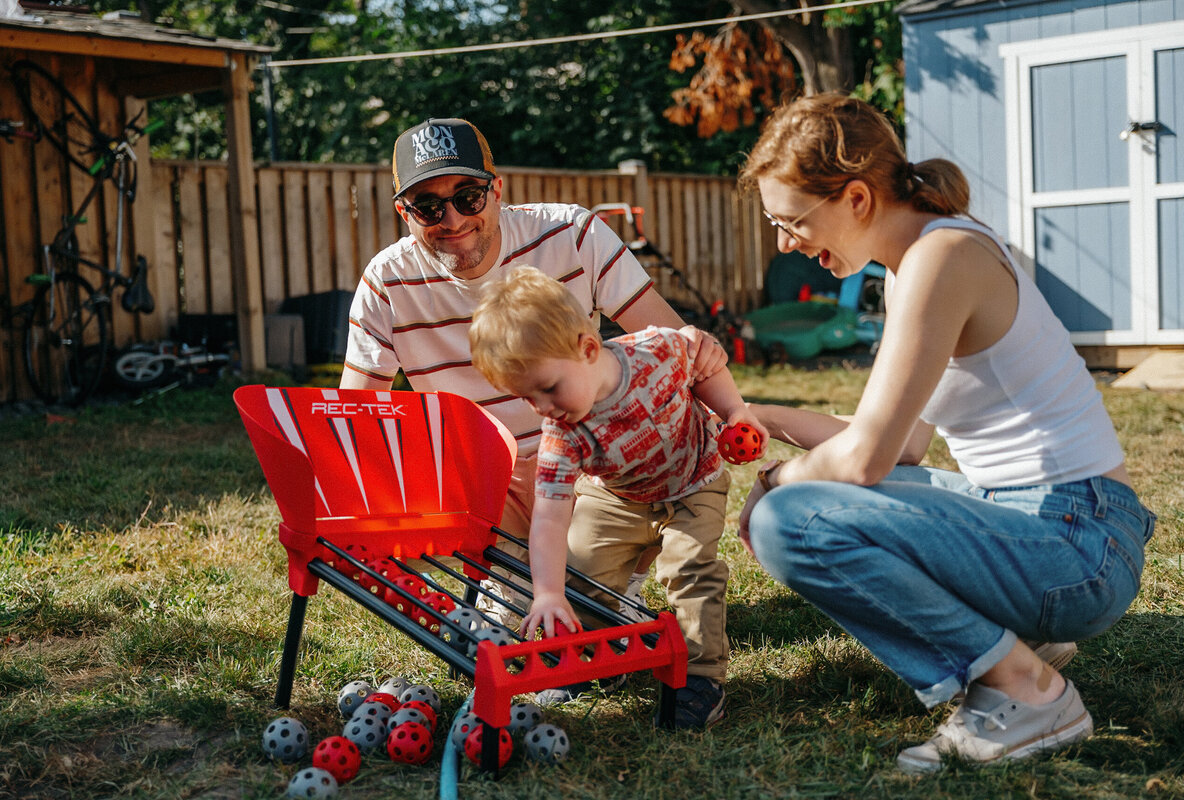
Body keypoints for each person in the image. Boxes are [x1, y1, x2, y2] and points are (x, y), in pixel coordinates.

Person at [735, 94, 1156, 773]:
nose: (786, 243)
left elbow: (867, 458)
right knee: (821, 499)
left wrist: (774, 481)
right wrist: (759, 416)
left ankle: (1026, 688)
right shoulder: (918, 263)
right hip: (1055, 526)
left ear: (856, 199)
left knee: (793, 523)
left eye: (792, 222)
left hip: (1078, 545)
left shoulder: (943, 258)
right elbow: (899, 445)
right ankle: (1019, 646)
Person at [341, 118, 724, 611]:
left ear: (496, 189)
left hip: (594, 460)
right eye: (429, 207)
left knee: (651, 426)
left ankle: (617, 576)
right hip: (489, 478)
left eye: (468, 197)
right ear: (404, 212)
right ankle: (514, 583)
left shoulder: (573, 234)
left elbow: (677, 349)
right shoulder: (387, 282)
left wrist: (729, 414)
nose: (453, 220)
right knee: (472, 470)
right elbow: (354, 418)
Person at [468, 266, 767, 728]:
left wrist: (734, 411)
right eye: (528, 398)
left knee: (691, 572)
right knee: (583, 570)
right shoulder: (562, 432)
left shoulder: (659, 350)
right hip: (618, 497)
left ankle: (701, 679)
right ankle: (599, 655)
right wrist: (547, 592)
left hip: (693, 481)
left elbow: (706, 367)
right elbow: (549, 518)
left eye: (548, 388)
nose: (543, 408)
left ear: (589, 348)